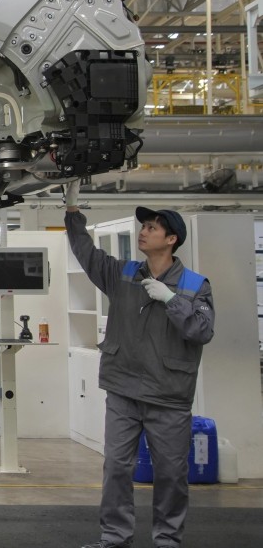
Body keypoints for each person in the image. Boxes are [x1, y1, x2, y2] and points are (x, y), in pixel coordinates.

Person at [64, 183, 214, 548]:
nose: (142, 232)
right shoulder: (125, 273)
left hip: (169, 395)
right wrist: (72, 213)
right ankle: (115, 537)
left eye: (151, 228)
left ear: (171, 238)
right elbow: (87, 254)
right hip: (124, 389)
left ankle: (167, 540)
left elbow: (202, 331)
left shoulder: (195, 285)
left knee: (172, 474)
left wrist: (172, 300)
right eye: (142, 226)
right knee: (116, 466)